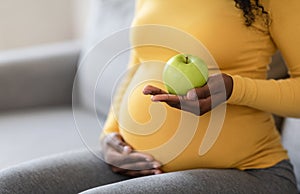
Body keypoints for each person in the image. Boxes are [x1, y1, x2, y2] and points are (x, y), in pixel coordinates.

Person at [0, 0, 298, 193]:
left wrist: (234, 88)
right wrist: (110, 137)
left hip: (250, 174)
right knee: (11, 186)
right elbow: (138, 66)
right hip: (141, 166)